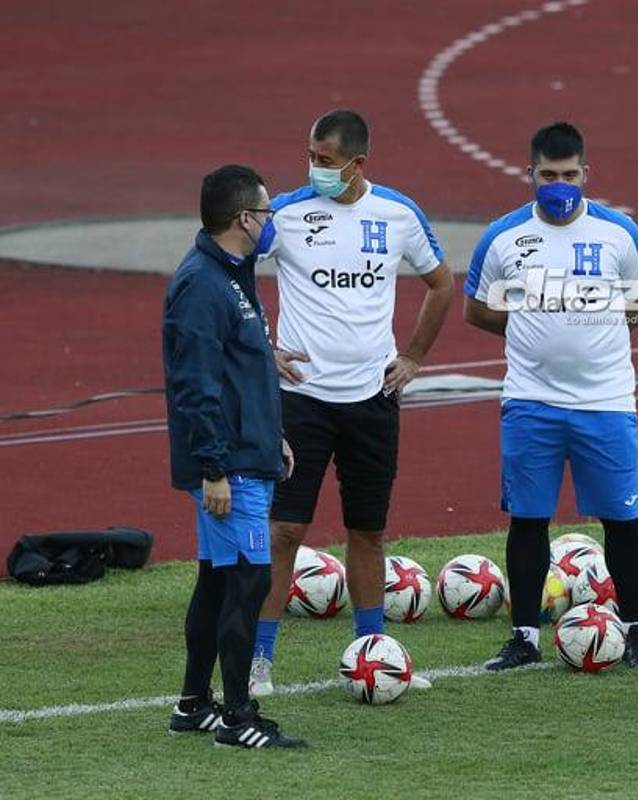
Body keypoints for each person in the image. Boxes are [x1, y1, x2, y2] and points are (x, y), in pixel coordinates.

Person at [249, 109, 454, 695]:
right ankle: (259, 660)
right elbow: (232, 268)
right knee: (285, 531)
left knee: (367, 532)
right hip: (300, 401)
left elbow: (442, 282)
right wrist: (266, 349)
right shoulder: (285, 213)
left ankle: (374, 651)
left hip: (372, 398)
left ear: (357, 163)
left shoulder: (397, 214)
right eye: (310, 156)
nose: (313, 168)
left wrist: (412, 356)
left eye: (325, 160)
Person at [463, 122, 638, 670]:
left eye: (569, 175)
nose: (559, 185)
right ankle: (525, 635)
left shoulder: (620, 233)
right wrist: (529, 329)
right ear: (529, 174)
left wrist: (601, 321)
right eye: (548, 175)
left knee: (623, 520)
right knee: (528, 518)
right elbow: (475, 308)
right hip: (531, 401)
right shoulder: (502, 237)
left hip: (607, 401)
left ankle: (636, 631)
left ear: (586, 174)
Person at [163, 164, 304, 748]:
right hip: (229, 468)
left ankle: (195, 704)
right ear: (244, 218)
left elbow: (238, 370)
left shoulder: (232, 273)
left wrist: (271, 435)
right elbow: (195, 384)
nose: (272, 222)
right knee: (247, 584)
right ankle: (240, 719)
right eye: (267, 212)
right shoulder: (202, 284)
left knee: (218, 583)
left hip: (245, 454)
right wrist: (215, 468)